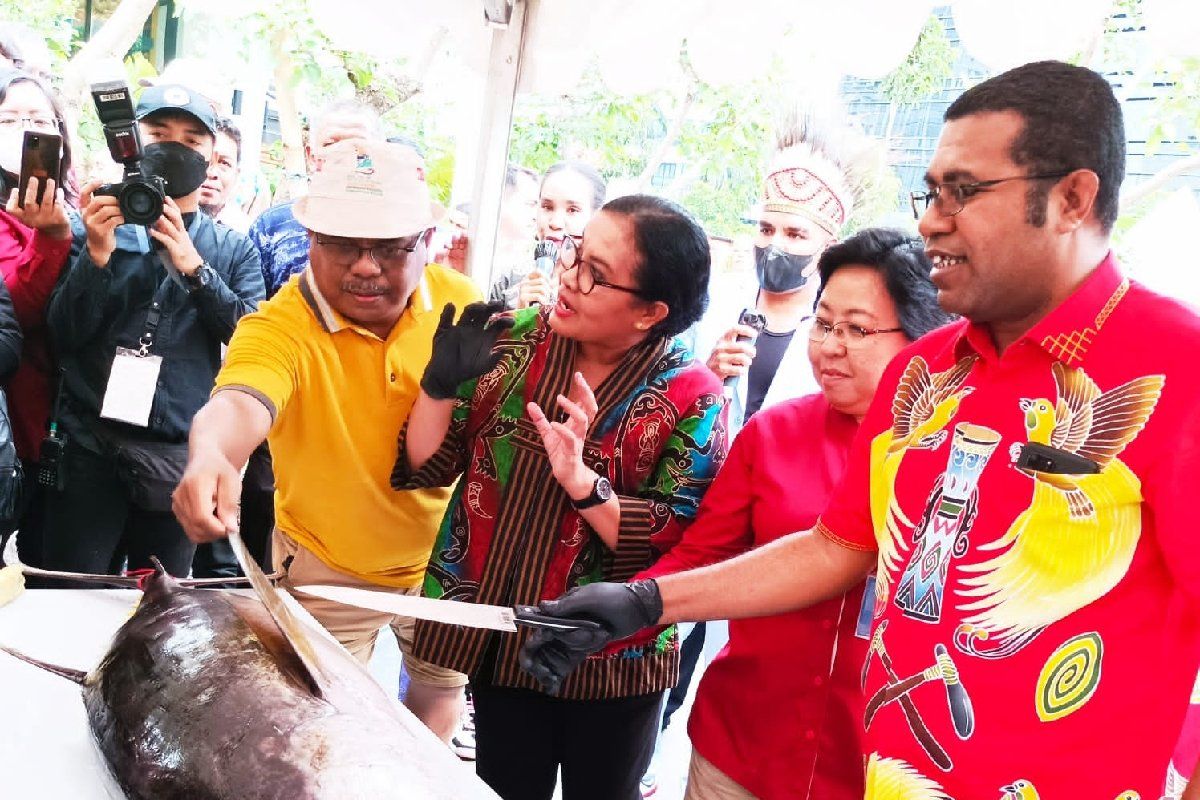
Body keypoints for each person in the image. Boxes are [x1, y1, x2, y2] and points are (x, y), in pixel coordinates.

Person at [522, 60, 1200, 797]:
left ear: (1071, 198)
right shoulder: (927, 373)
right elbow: (836, 548)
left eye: (964, 192)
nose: (931, 219)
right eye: (931, 191)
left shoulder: (1176, 367)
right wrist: (648, 603)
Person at [392, 194, 727, 800]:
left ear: (650, 312)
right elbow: (427, 467)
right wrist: (439, 388)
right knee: (504, 789)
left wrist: (583, 484)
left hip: (613, 664)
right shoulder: (513, 342)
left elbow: (675, 543)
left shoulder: (693, 395)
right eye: (575, 255)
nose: (569, 278)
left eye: (596, 275)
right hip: (505, 636)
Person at [172, 140, 481, 743]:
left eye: (389, 247)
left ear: (426, 240)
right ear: (310, 238)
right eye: (342, 244)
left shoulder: (460, 305)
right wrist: (212, 455)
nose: (365, 266)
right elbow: (240, 400)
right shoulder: (279, 326)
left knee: (440, 690)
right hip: (328, 564)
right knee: (323, 723)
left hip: (448, 557)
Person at [640, 229, 951, 799]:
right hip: (741, 749)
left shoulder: (961, 460)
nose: (829, 346)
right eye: (824, 323)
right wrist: (622, 608)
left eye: (856, 329)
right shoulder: (773, 434)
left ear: (925, 338)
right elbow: (701, 555)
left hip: (876, 772)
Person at [43, 83, 264, 578]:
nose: (173, 147)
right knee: (69, 596)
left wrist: (196, 270)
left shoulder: (232, 249)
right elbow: (62, 335)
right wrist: (95, 258)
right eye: (158, 133)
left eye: (191, 139)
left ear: (212, 156)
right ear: (132, 142)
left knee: (163, 611)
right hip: (89, 450)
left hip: (174, 459)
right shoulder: (96, 226)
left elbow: (250, 337)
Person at [701, 111, 863, 431]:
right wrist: (708, 374)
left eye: (794, 234)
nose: (774, 244)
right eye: (765, 229)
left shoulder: (840, 328)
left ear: (828, 247)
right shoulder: (715, 300)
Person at [0, 70, 77, 567]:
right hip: (13, 417)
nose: (24, 130)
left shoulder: (83, 208)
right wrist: (50, 241)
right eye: (9, 118)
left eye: (38, 119)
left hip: (73, 421)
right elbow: (13, 312)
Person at [248, 99, 382, 299]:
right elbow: (252, 311)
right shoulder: (273, 226)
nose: (343, 154)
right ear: (312, 157)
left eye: (357, 146)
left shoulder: (398, 230)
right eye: (331, 145)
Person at [487, 160, 606, 310]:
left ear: (595, 216)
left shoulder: (600, 289)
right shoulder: (509, 280)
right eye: (547, 207)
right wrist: (520, 316)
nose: (555, 223)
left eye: (572, 210)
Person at [199, 116, 250, 232]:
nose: (212, 173)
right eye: (204, 160)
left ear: (236, 175)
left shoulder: (244, 234)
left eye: (224, 163)